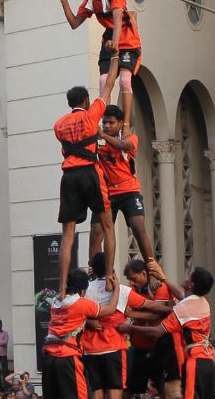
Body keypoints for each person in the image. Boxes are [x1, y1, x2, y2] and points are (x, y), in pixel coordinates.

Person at [52, 62, 120, 297]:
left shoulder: (59, 125)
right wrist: (115, 59)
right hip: (90, 172)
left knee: (67, 235)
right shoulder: (92, 115)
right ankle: (109, 277)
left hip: (68, 176)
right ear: (85, 101)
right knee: (108, 226)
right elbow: (109, 86)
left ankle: (61, 288)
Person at [58, 0, 142, 133]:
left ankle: (126, 124)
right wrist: (64, 2)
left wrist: (116, 43)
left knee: (125, 80)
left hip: (128, 40)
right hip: (109, 39)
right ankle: (106, 121)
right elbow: (75, 23)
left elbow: (118, 20)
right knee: (103, 82)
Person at [80, 253, 172, 399]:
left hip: (91, 350)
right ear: (111, 267)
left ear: (94, 270)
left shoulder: (84, 291)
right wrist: (173, 310)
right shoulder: (122, 290)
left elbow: (75, 317)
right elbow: (152, 306)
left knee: (96, 392)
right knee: (115, 392)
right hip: (114, 347)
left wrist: (89, 322)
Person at [119, 267, 215, 399]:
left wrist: (130, 328)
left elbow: (157, 332)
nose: (186, 276)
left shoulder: (183, 308)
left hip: (194, 361)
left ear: (191, 284)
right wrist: (163, 278)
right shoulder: (202, 302)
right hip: (209, 361)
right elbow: (181, 295)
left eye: (189, 275)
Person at [90, 105, 157, 271]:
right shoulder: (98, 142)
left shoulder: (130, 138)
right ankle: (96, 273)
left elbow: (124, 146)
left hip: (129, 191)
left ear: (121, 123)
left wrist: (103, 135)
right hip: (106, 193)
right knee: (96, 234)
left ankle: (152, 269)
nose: (106, 125)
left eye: (111, 123)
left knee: (138, 228)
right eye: (104, 122)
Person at [42, 268, 124, 399]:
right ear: (83, 290)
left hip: (48, 358)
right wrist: (117, 288)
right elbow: (110, 310)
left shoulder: (56, 301)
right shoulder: (82, 304)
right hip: (68, 358)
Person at [123, 258, 177, 399]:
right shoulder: (132, 289)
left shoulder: (160, 287)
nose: (132, 283)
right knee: (129, 388)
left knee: (163, 386)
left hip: (158, 347)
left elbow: (157, 315)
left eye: (134, 278)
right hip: (139, 346)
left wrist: (132, 313)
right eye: (129, 279)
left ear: (143, 274)